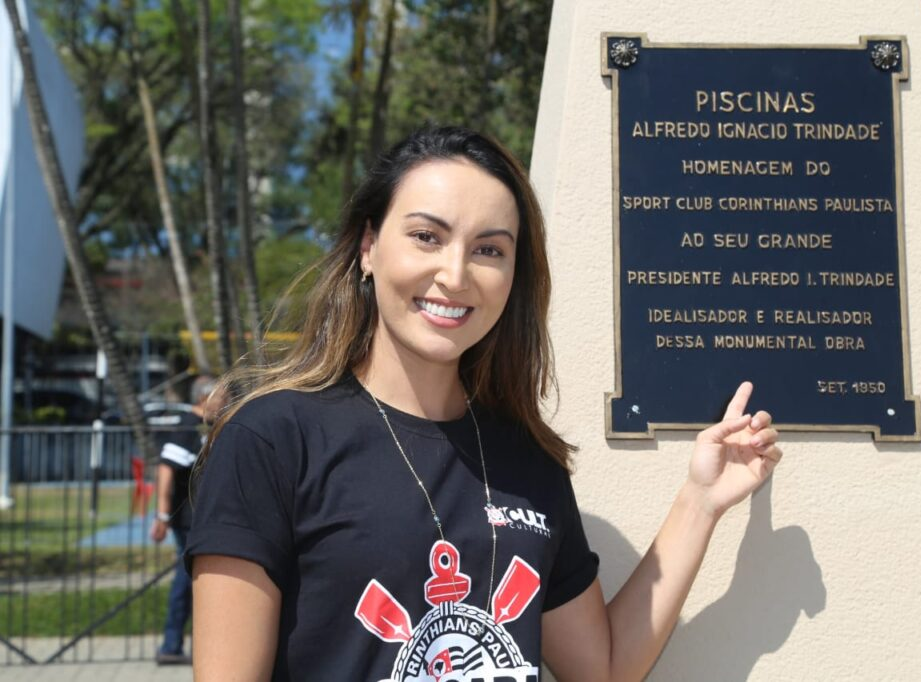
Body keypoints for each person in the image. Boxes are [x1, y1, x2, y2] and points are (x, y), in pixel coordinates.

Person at [185, 126, 782, 681]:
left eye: (489, 250)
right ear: (368, 247)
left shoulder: (528, 460)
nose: (456, 274)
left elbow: (601, 667)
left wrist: (700, 502)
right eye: (427, 237)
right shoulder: (270, 440)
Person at [150, 374, 224, 665]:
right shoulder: (187, 426)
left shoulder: (212, 426)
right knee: (187, 579)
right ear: (205, 397)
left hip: (204, 518)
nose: (228, 401)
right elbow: (166, 470)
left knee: (196, 580)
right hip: (189, 518)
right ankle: (172, 644)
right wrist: (162, 514)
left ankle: (190, 644)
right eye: (224, 395)